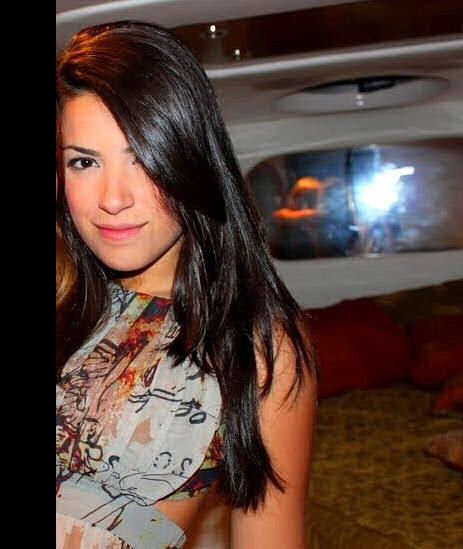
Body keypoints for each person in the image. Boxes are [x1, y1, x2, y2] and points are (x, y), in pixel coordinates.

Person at [56, 21, 317, 549]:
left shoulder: (257, 346)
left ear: (190, 161)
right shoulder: (64, 291)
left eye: (142, 159)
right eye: (85, 162)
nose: (112, 198)